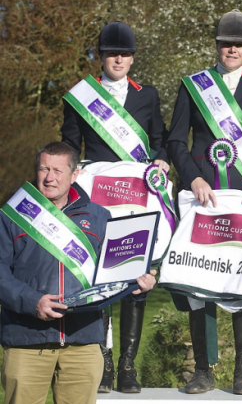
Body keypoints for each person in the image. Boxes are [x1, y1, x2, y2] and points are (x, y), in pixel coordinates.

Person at [167, 10, 242, 394]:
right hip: (205, 199)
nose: (231, 49)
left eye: (238, 44)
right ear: (217, 46)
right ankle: (202, 369)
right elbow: (174, 142)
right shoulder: (193, 86)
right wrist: (194, 176)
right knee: (201, 280)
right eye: (225, 43)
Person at [0, 141, 156, 404]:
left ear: (74, 175)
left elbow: (114, 277)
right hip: (26, 340)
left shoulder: (99, 217)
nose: (49, 178)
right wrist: (32, 302)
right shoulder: (12, 215)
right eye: (43, 169)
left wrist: (137, 286)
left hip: (83, 343)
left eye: (58, 171)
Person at [61, 21, 169, 393]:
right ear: (101, 57)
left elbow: (160, 141)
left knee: (136, 281)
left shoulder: (148, 95)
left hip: (137, 197)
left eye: (124, 54)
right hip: (99, 198)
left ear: (132, 58)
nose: (118, 59)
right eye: (111, 54)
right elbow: (70, 145)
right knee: (103, 279)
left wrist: (162, 162)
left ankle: (128, 367)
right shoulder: (80, 96)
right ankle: (104, 363)